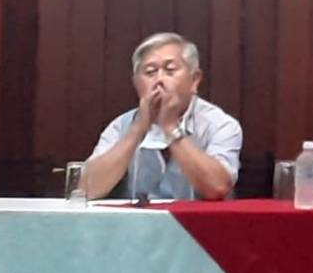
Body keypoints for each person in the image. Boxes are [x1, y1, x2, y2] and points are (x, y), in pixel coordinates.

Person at [84, 32, 242, 201]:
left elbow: (217, 187)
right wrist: (137, 129)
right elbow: (86, 190)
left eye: (170, 70)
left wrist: (170, 127)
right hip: (136, 217)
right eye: (150, 72)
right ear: (136, 84)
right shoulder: (121, 125)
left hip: (195, 218)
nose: (159, 79)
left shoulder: (220, 124)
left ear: (195, 80)